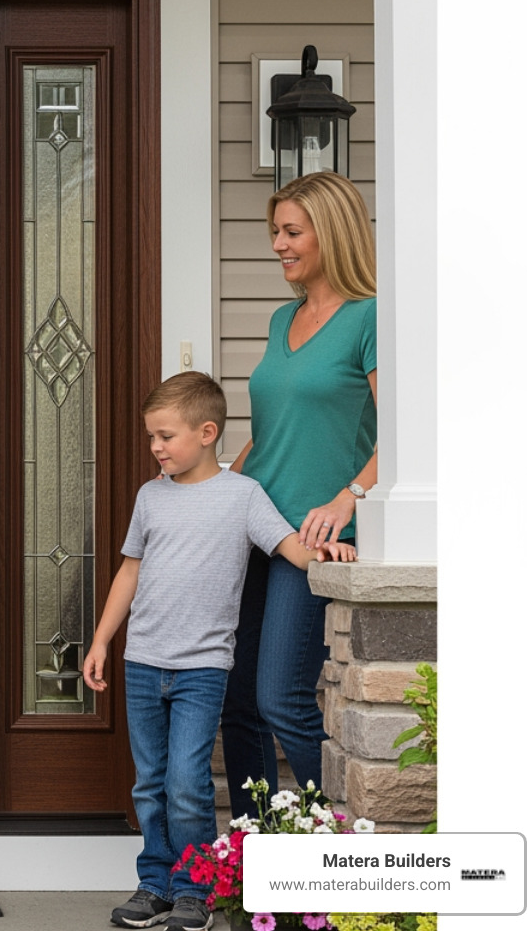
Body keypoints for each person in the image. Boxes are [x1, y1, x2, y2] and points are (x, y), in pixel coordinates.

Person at [83, 371, 355, 931]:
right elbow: (130, 569)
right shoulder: (150, 497)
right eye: (151, 438)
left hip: (203, 667)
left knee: (186, 780)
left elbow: (288, 548)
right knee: (150, 781)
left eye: (166, 436)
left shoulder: (242, 495)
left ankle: (195, 886)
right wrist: (102, 639)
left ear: (207, 432)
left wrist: (327, 551)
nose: (156, 448)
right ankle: (155, 882)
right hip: (143, 662)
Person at [220, 171, 378, 819]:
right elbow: (270, 434)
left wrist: (350, 498)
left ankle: (336, 836)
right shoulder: (283, 316)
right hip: (255, 524)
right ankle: (252, 851)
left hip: (311, 540)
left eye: (292, 231)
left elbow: (410, 433)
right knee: (237, 698)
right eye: (274, 233)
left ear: (330, 234)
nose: (279, 245)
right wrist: (219, 488)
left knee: (281, 694)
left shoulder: (370, 318)